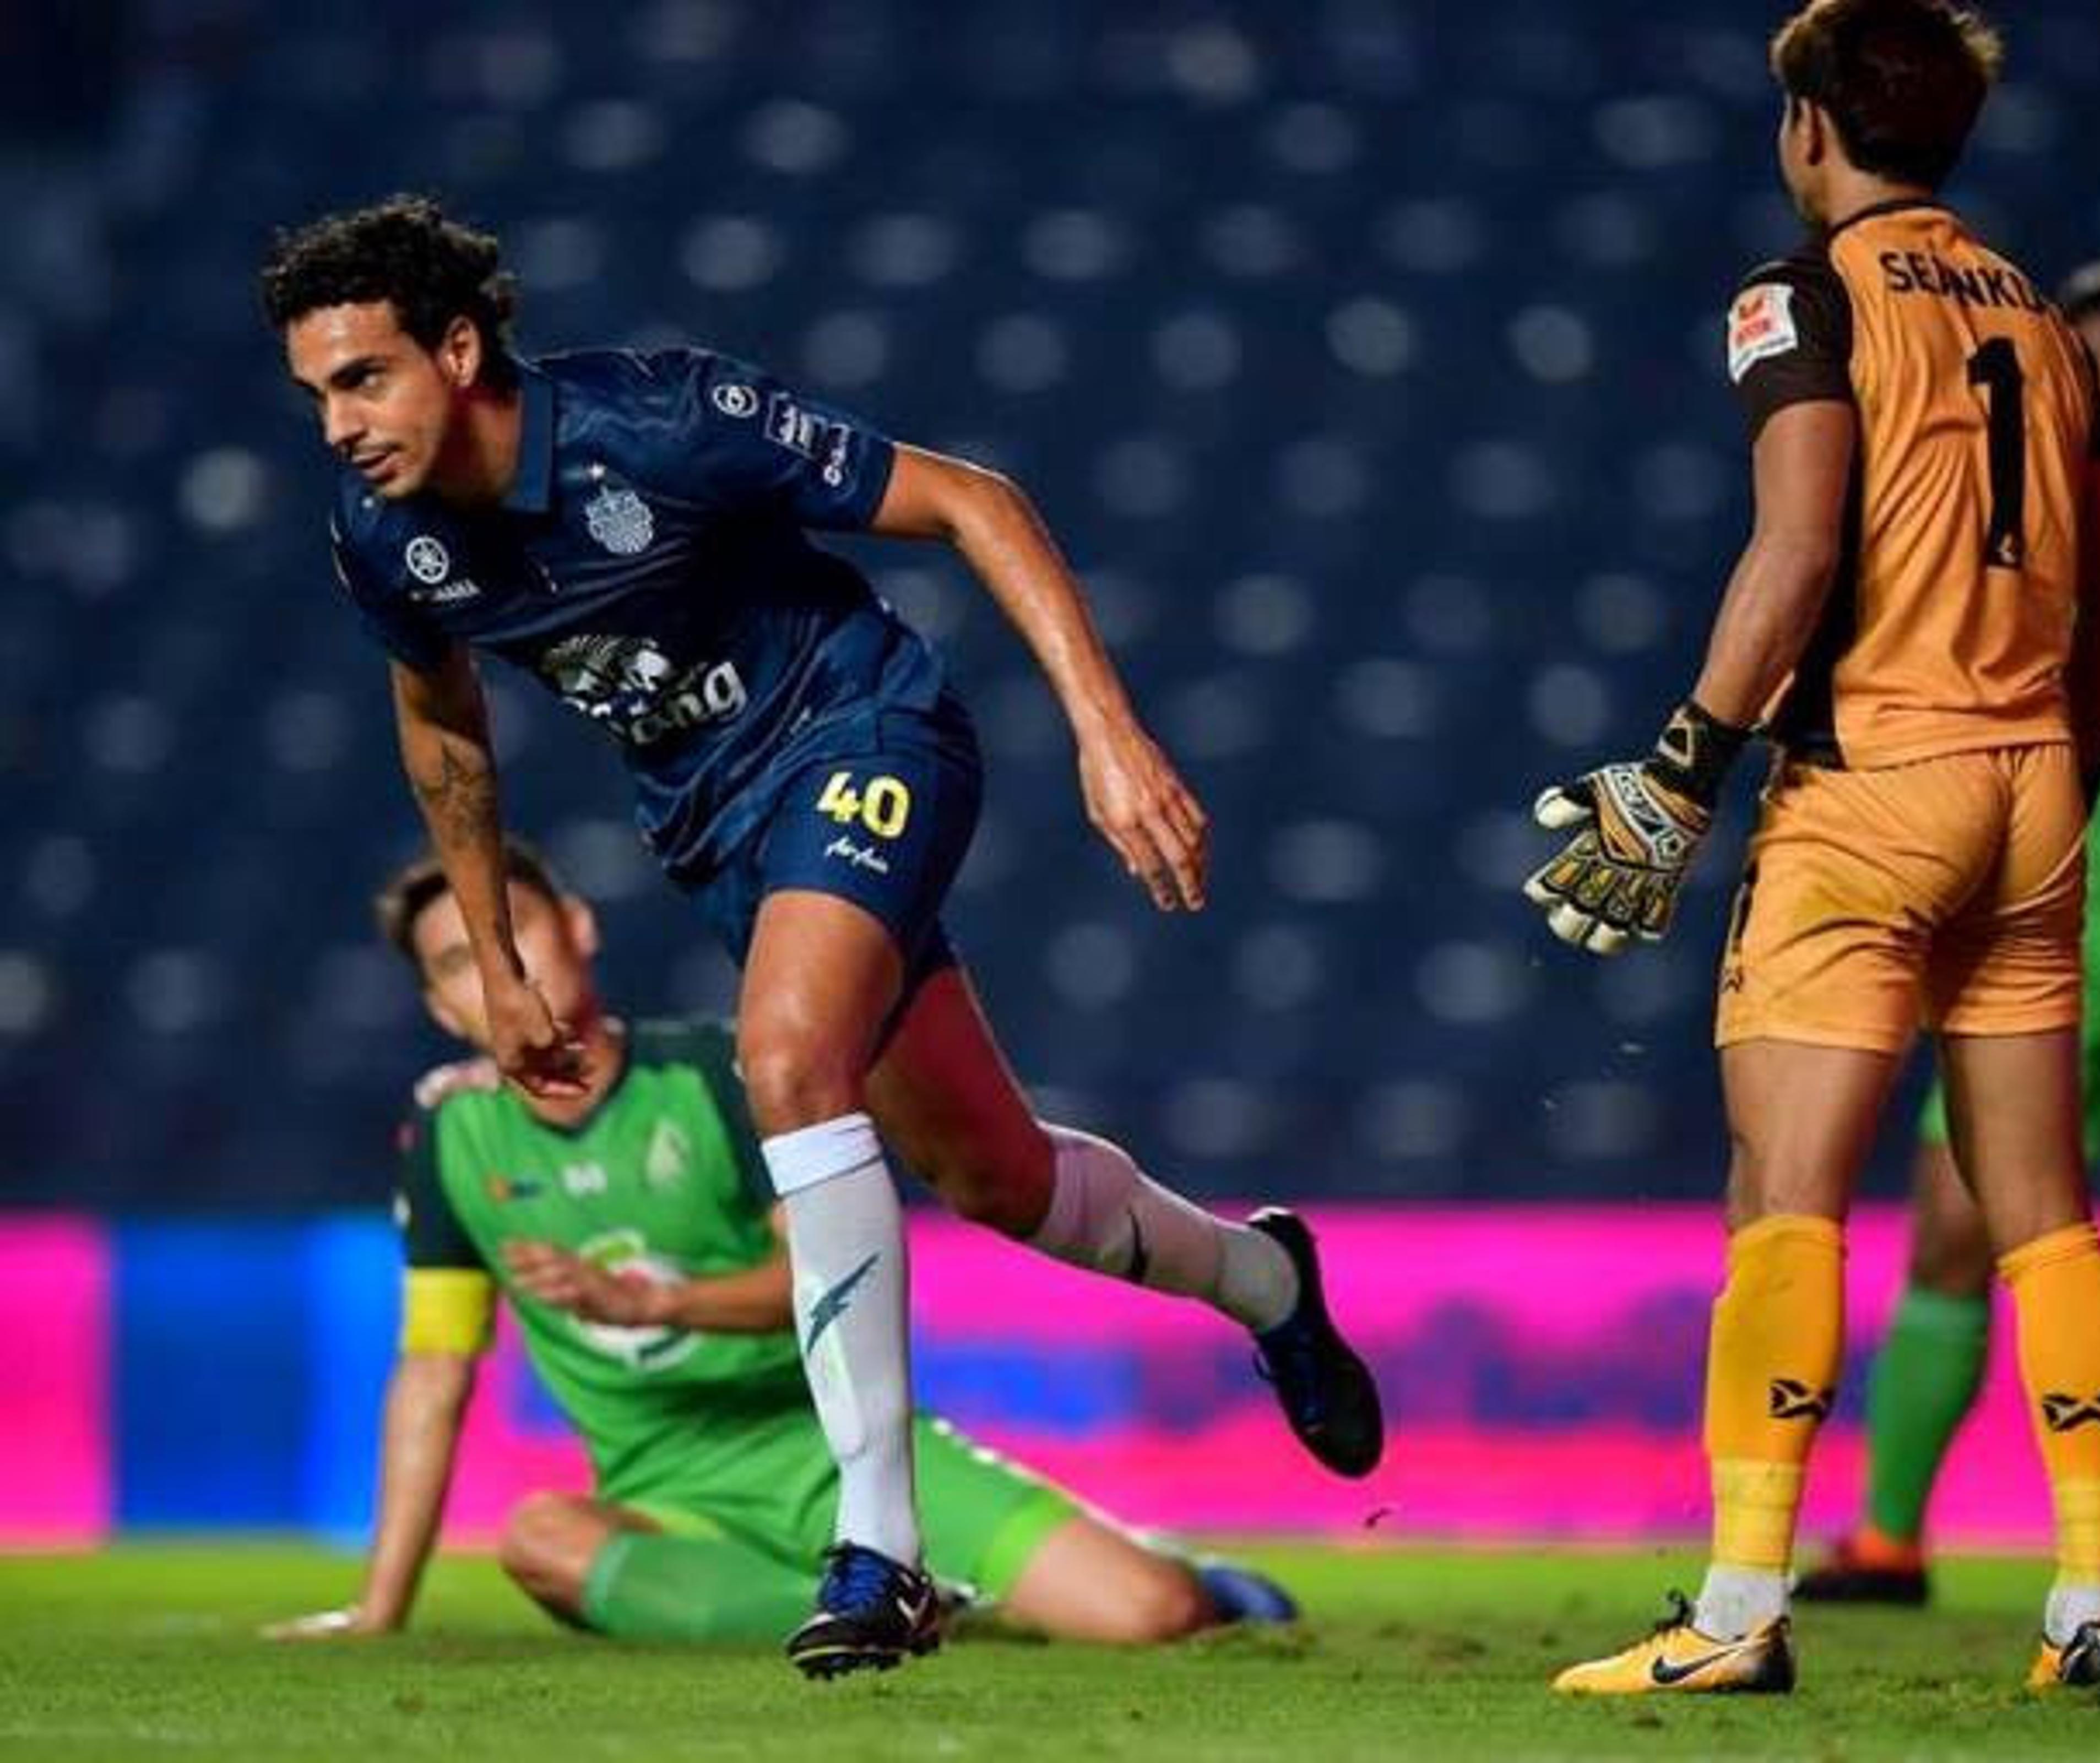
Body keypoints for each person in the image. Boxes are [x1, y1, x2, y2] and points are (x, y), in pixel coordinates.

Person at [260, 196, 1381, 1678]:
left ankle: (885, 1547)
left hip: (866, 734)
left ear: (458, 350)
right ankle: (1265, 1283)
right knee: (999, 1176)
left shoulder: (654, 424)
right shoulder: (382, 535)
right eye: (315, 395)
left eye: (364, 378)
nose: (338, 425)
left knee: (787, 1063)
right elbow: (444, 729)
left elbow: (977, 500)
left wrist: (1110, 737)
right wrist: (502, 955)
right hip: (724, 832)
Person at [1522, 0, 2100, 1694]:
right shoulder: (2040, 314)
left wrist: (1685, 765)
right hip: (2038, 783)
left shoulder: (1805, 293)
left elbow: (1792, 552)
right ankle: (2093, 1602)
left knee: (1784, 1197)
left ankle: (1736, 1608)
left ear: (1811, 129)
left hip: (1871, 788)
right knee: (2049, 1217)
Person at [267, 842, 1297, 1653]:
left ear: (578, 930)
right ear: (441, 1004)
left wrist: (654, 1304)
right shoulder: (450, 1138)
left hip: (833, 1450)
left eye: (513, 933)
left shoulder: (722, 1075)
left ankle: (1171, 1573)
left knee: (1154, 1613)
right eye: (460, 963)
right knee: (542, 1537)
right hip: (664, 1494)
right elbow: (434, 1373)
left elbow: (826, 1278)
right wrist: (378, 1608)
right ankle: (938, 1609)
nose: (499, 974)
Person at [1797, 259, 2100, 1606]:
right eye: (2084, 357)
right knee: (1959, 1226)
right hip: (2065, 900)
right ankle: (1889, 1535)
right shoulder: (2018, 519)